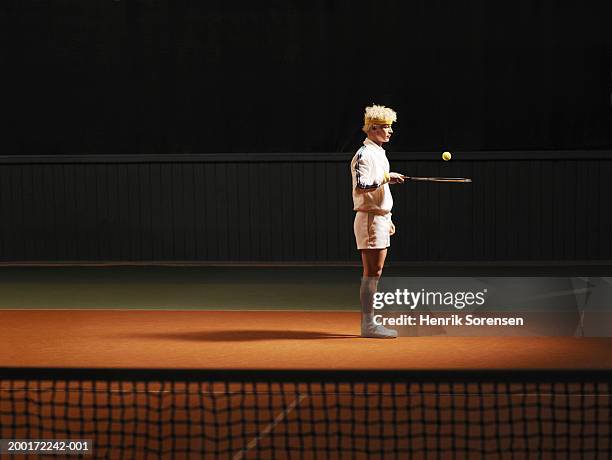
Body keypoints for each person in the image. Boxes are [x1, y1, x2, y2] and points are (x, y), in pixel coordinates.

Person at [350, 105, 404, 338]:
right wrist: (386, 177)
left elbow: (377, 187)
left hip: (379, 218)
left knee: (376, 271)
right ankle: (368, 324)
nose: (390, 131)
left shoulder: (379, 152)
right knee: (372, 272)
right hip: (370, 218)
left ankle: (370, 321)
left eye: (391, 126)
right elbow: (362, 184)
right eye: (385, 127)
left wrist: (387, 216)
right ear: (372, 128)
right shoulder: (364, 153)